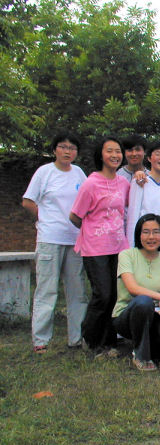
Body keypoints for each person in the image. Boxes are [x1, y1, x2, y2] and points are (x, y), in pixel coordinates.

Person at [23, 132, 88, 354]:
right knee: (47, 290)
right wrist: (43, 220)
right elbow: (28, 202)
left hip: (75, 240)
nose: (67, 151)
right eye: (63, 147)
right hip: (50, 239)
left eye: (72, 148)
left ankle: (76, 338)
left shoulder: (79, 173)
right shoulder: (45, 172)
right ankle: (40, 340)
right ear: (54, 150)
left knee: (77, 291)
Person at [69, 136, 130, 356]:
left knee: (114, 296)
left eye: (118, 151)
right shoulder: (91, 183)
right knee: (102, 295)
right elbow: (75, 216)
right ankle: (90, 337)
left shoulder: (124, 183)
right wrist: (93, 231)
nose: (115, 155)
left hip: (118, 247)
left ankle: (109, 342)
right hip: (95, 248)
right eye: (109, 151)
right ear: (101, 155)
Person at [112, 214, 160, 371]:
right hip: (127, 314)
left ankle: (149, 349)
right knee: (143, 301)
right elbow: (133, 289)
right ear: (138, 234)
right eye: (146, 232)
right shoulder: (127, 255)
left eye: (156, 232)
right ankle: (141, 356)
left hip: (154, 316)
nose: (151, 237)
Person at [126, 141, 160, 259]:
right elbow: (133, 216)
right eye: (158, 154)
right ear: (149, 158)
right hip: (145, 240)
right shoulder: (140, 182)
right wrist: (130, 247)